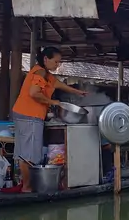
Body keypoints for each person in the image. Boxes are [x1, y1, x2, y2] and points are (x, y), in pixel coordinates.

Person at [12, 47, 86, 192]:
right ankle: (27, 188)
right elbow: (34, 93)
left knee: (23, 152)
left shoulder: (45, 74)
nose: (57, 65)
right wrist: (53, 102)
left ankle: (26, 186)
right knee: (30, 154)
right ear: (46, 59)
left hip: (22, 114)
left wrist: (78, 92)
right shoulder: (40, 72)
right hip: (30, 115)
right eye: (56, 62)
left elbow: (59, 84)